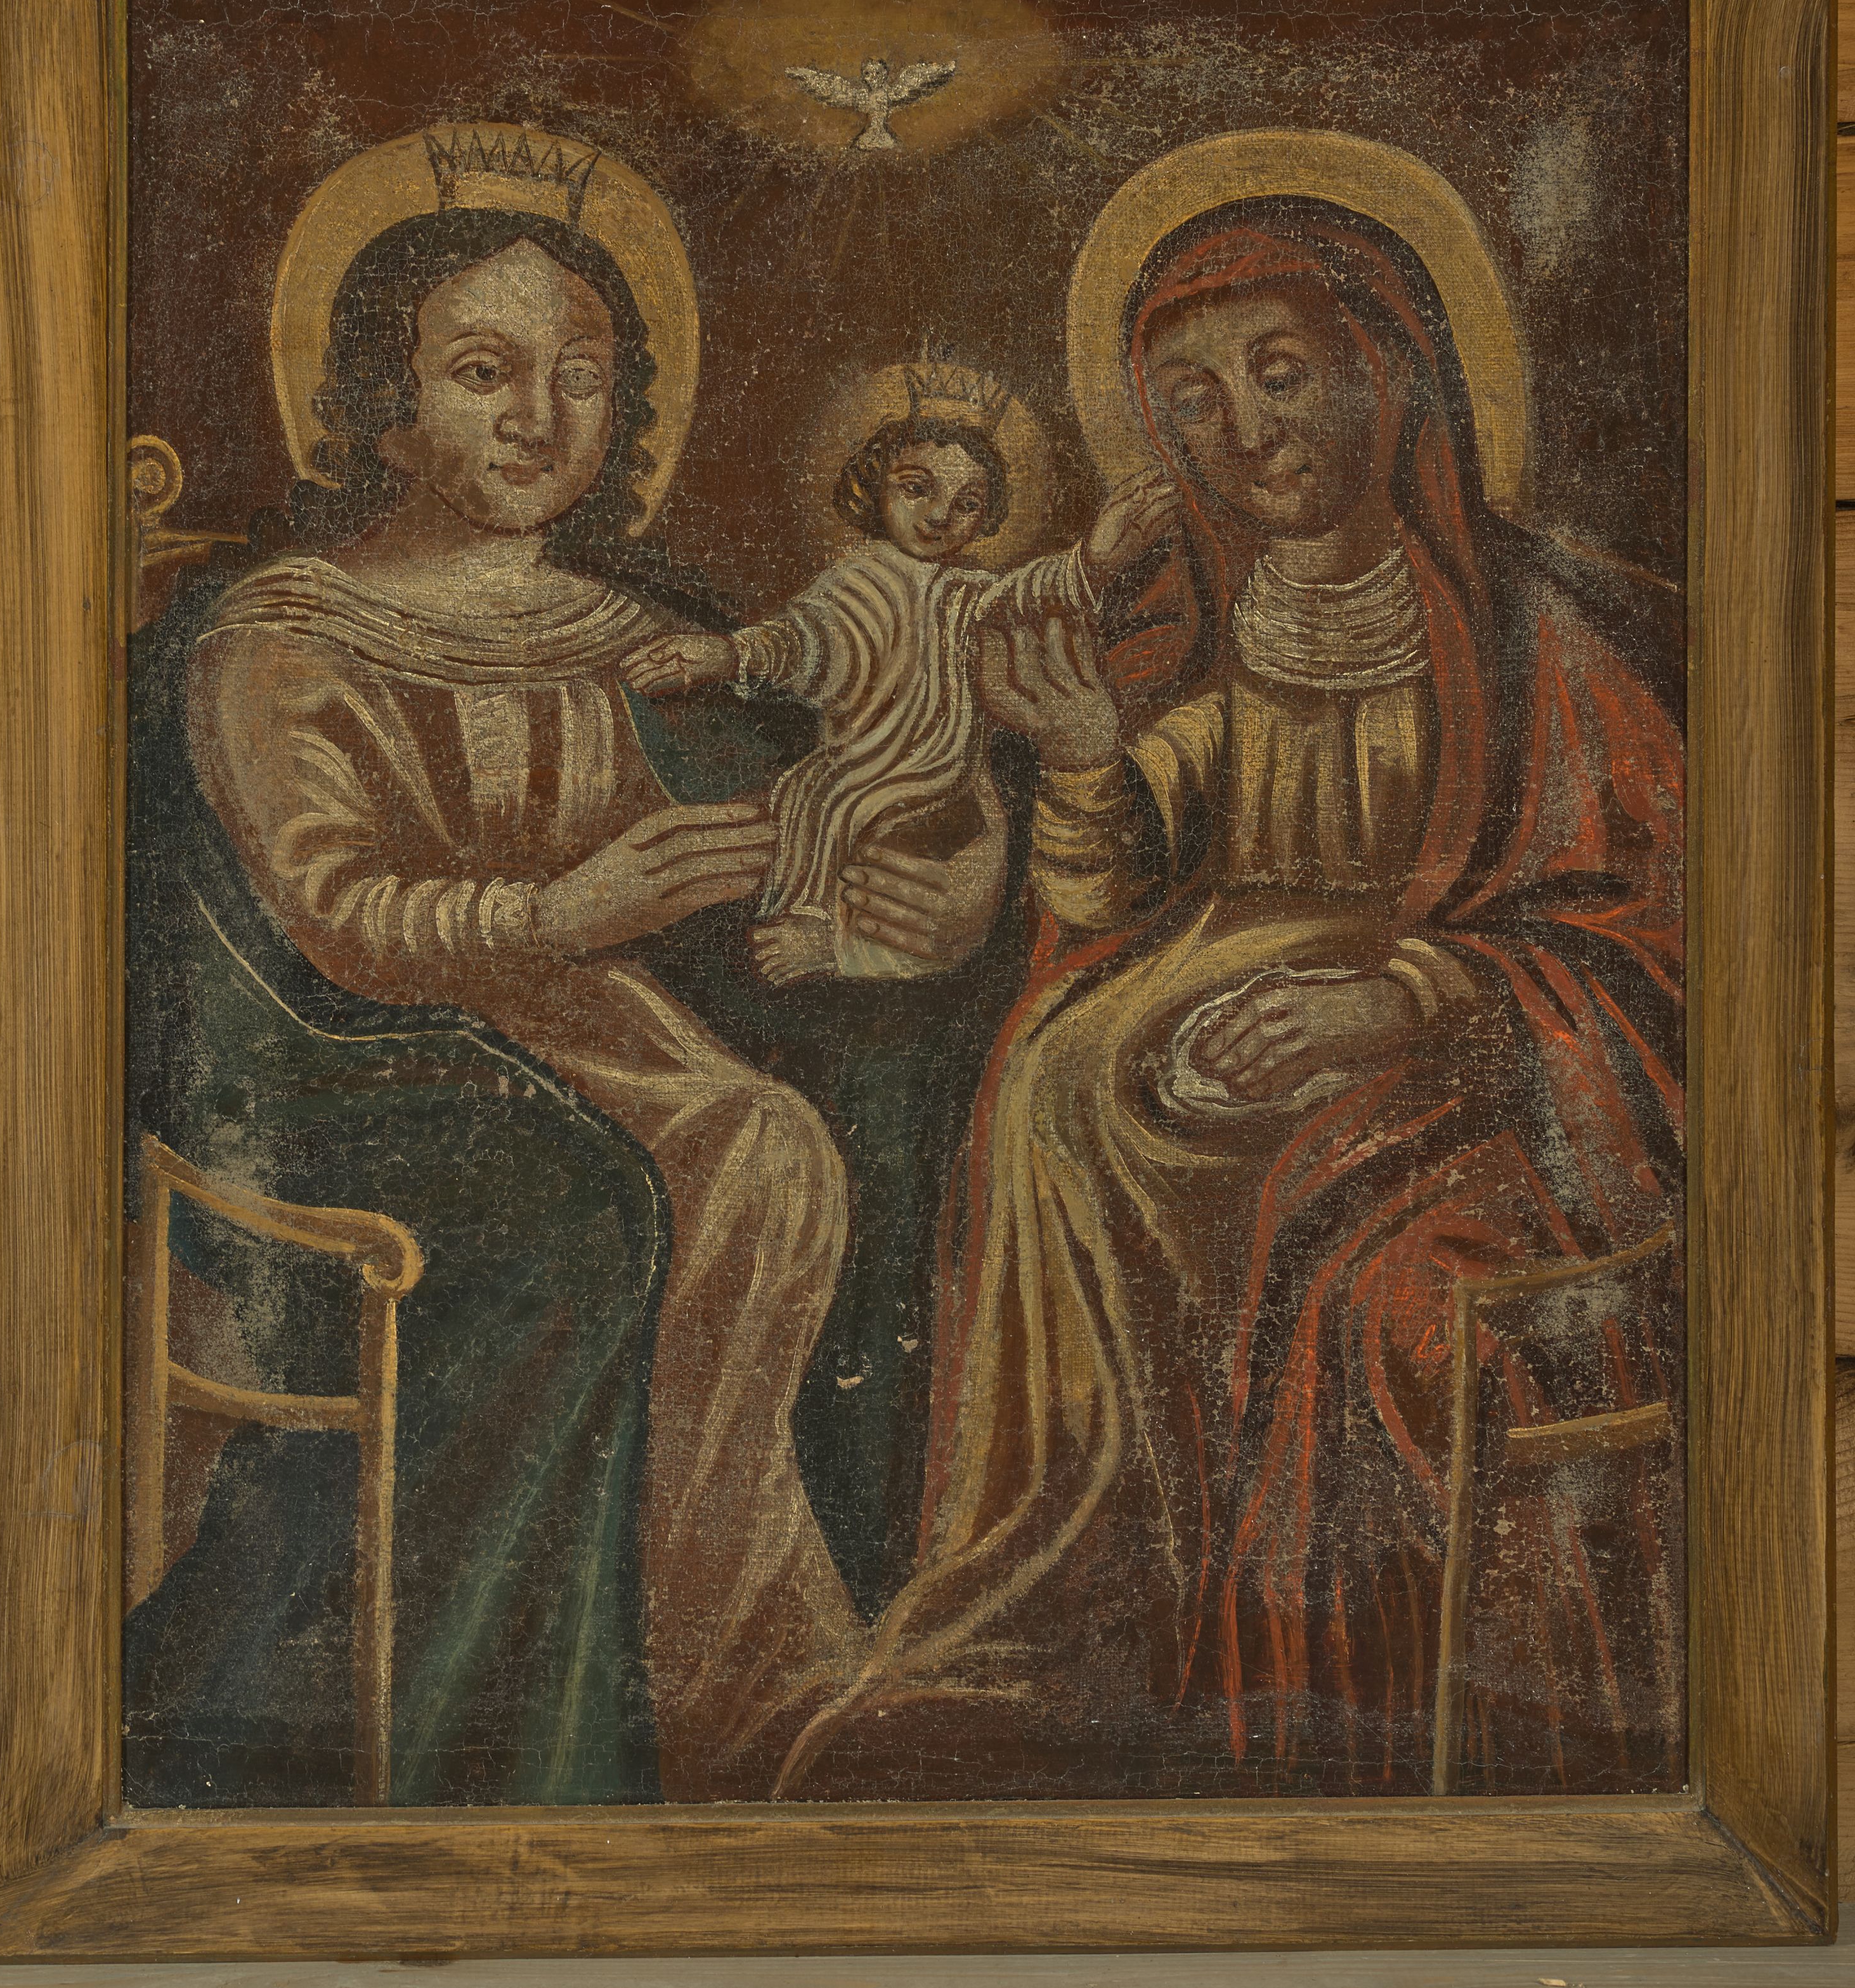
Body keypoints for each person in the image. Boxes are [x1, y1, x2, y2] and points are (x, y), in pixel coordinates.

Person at [779, 189, 1686, 1803]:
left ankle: (1281, 1673)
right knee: (1053, 1071)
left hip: (1453, 1068)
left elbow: (1643, 935)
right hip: (1229, 995)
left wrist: (1405, 994)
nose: (1244, 428)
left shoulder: (1537, 629)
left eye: (1281, 372)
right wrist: (1079, 755)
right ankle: (1074, 1609)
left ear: (1387, 368)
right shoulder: (1204, 609)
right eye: (1193, 398)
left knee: (1295, 1212)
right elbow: (1106, 886)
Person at [131, 143, 991, 1805]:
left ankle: (711, 1655)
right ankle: (581, 1692)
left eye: (580, 376)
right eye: (483, 372)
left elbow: (727, 814)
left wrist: (869, 858)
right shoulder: (284, 636)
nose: (540, 416)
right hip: (362, 1061)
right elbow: (331, 914)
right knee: (659, 1184)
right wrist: (563, 910)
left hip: (582, 1022)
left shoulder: (611, 627)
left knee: (788, 1138)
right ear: (384, 412)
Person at [623, 358, 1173, 986]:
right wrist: (730, 655)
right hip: (860, 759)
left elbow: (1027, 597)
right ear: (875, 487)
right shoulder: (857, 580)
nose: (940, 515)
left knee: (920, 857)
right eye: (918, 489)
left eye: (967, 503)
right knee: (816, 801)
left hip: (944, 772)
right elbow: (805, 642)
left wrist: (1089, 562)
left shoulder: (972, 593)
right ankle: (815, 928)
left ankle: (837, 946)